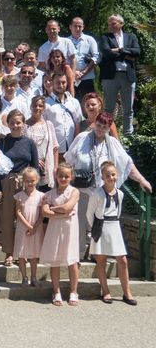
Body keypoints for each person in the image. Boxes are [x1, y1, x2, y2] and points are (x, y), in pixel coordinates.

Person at [64, 112, 152, 258]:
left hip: (101, 192)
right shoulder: (81, 138)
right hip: (82, 190)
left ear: (108, 128)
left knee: (99, 223)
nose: (100, 129)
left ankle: (97, 255)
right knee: (80, 224)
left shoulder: (112, 144)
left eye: (104, 127)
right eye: (98, 125)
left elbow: (127, 165)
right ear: (94, 123)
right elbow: (68, 161)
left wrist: (142, 180)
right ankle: (77, 256)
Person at [87, 162, 137, 305]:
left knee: (122, 260)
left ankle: (127, 293)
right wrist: (95, 228)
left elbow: (119, 212)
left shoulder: (120, 194)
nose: (111, 177)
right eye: (107, 175)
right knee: (101, 261)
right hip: (101, 227)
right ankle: (106, 291)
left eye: (113, 174)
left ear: (117, 175)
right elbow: (89, 214)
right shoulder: (97, 193)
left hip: (114, 227)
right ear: (102, 177)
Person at [0, 110, 39, 266]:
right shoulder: (2, 142)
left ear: (23, 123)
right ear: (8, 124)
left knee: (25, 218)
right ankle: (9, 252)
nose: (15, 125)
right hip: (7, 181)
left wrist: (33, 187)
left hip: (25, 183)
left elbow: (35, 166)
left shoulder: (29, 143)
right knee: (7, 218)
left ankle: (23, 251)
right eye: (12, 122)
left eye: (18, 122)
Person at [39, 162, 80, 307]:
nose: (63, 178)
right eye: (61, 176)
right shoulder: (48, 194)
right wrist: (62, 213)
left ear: (71, 177)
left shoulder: (74, 192)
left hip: (70, 229)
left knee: (72, 260)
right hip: (55, 229)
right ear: (56, 176)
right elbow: (45, 212)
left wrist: (54, 209)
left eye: (66, 176)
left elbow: (68, 207)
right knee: (55, 260)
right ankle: (56, 291)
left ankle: (74, 292)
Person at [100, 14, 140, 135]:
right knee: (109, 109)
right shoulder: (105, 37)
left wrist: (119, 50)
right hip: (111, 76)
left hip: (127, 76)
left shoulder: (131, 37)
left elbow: (137, 52)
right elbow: (107, 53)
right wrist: (127, 54)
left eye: (113, 23)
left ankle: (128, 135)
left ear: (121, 24)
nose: (110, 26)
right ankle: (107, 134)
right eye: (109, 23)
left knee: (128, 109)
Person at [13, 167, 44, 287]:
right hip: (23, 228)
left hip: (37, 228)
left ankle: (34, 277)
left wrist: (34, 227)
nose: (30, 183)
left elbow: (42, 214)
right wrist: (28, 227)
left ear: (37, 180)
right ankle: (24, 277)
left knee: (34, 255)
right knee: (21, 253)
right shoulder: (19, 196)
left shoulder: (41, 196)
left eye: (32, 180)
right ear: (23, 181)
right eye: (27, 181)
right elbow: (18, 213)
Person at [44, 72, 82, 158]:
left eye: (63, 82)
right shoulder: (45, 104)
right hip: (54, 150)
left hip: (72, 149)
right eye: (57, 82)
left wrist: (76, 145)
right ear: (52, 83)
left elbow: (78, 124)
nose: (60, 85)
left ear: (67, 83)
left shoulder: (74, 102)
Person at [25, 96, 59, 192]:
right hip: (31, 167)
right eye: (35, 105)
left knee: (46, 199)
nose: (37, 108)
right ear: (31, 106)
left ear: (44, 108)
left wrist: (55, 167)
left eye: (40, 106)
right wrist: (35, 159)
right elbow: (23, 148)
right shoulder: (24, 126)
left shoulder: (49, 125)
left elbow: (55, 148)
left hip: (47, 168)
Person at [68, 17, 99, 100]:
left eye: (80, 26)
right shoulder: (66, 41)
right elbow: (64, 59)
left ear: (83, 27)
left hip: (87, 78)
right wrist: (74, 72)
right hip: (71, 78)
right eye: (75, 26)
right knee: (73, 101)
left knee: (88, 102)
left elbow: (96, 57)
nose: (77, 29)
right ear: (70, 27)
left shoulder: (90, 40)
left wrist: (83, 72)